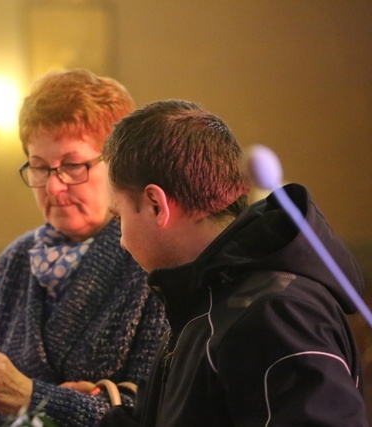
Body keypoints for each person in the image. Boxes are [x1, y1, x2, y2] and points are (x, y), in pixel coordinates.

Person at [99, 99, 368, 426]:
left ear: (156, 205)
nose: (122, 239)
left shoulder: (274, 313)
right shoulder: (210, 296)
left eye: (118, 217)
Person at [0, 69, 169, 426]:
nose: (53, 187)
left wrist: (32, 397)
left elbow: (156, 411)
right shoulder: (17, 259)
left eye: (72, 165)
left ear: (117, 164)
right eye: (39, 168)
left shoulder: (151, 260)